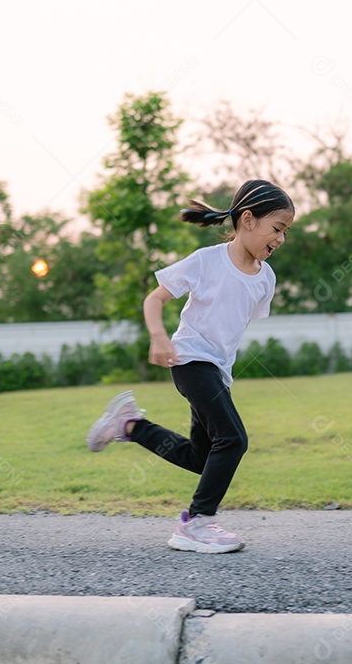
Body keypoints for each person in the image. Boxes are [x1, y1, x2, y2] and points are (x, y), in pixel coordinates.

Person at [85, 179, 295, 554]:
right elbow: (155, 299)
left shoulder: (265, 279)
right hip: (190, 360)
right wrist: (159, 337)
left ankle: (130, 425)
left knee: (204, 457)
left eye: (285, 232)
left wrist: (222, 377)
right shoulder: (206, 261)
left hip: (216, 371)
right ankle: (196, 523)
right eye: (276, 228)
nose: (280, 239)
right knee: (234, 440)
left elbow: (230, 326)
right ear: (247, 219)